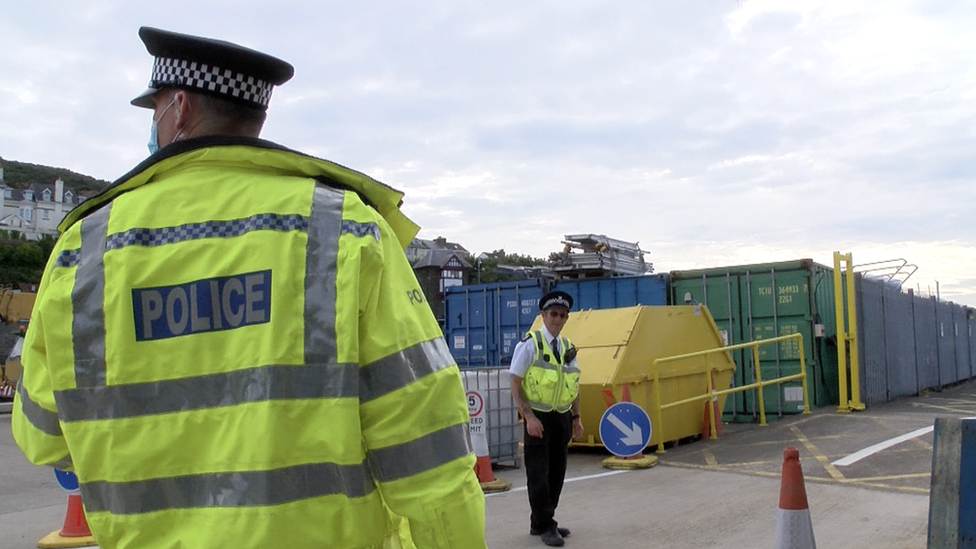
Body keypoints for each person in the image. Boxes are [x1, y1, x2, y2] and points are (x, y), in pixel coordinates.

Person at [11, 27, 487, 549]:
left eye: (154, 111)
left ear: (180, 107)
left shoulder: (84, 252)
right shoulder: (345, 231)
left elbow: (41, 434)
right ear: (256, 117)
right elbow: (428, 447)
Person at [509, 290, 583, 547]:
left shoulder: (567, 347)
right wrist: (528, 417)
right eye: (553, 314)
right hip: (537, 418)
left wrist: (576, 418)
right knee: (538, 475)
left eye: (562, 315)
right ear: (543, 315)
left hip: (561, 419)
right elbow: (515, 382)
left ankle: (539, 521)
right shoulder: (530, 344)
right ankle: (546, 524)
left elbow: (573, 385)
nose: (557, 319)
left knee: (557, 473)